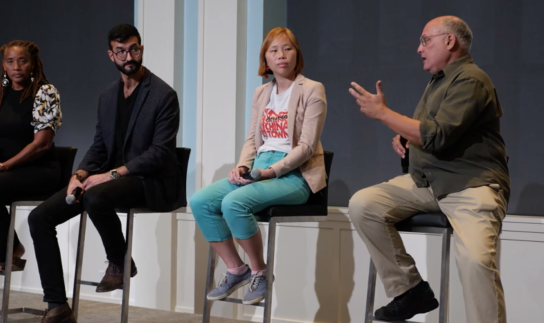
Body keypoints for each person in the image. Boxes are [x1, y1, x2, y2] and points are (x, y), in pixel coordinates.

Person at [347, 16, 509, 323]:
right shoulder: (439, 81)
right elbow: (427, 133)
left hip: (470, 186)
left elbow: (435, 135)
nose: (419, 49)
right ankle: (410, 290)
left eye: (425, 41)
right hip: (427, 183)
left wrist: (384, 114)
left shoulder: (471, 79)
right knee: (363, 204)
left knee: (476, 262)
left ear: (450, 41)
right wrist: (406, 139)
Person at [28, 24, 184, 323]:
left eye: (134, 49)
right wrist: (81, 173)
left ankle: (119, 262)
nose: (129, 56)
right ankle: (57, 305)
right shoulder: (108, 96)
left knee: (96, 196)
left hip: (148, 181)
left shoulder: (163, 95)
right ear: (111, 55)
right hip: (109, 179)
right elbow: (99, 145)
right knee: (40, 217)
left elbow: (160, 152)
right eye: (122, 51)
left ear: (142, 49)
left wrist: (111, 175)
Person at [190, 27, 327, 305]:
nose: (281, 55)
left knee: (233, 204)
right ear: (265, 57)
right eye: (274, 50)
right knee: (200, 201)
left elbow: (307, 147)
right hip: (259, 168)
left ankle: (259, 271)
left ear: (297, 53)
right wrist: (242, 166)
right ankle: (236, 269)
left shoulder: (312, 89)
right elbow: (253, 138)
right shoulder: (262, 92)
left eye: (287, 48)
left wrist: (269, 172)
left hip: (293, 175)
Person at [0, 40, 62, 286]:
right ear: (3, 65)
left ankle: (12, 250)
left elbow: (41, 143)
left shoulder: (45, 92)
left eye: (22, 61)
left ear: (33, 64)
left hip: (38, 170)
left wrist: (2, 166)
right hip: (1, 167)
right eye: (10, 61)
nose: (16, 66)